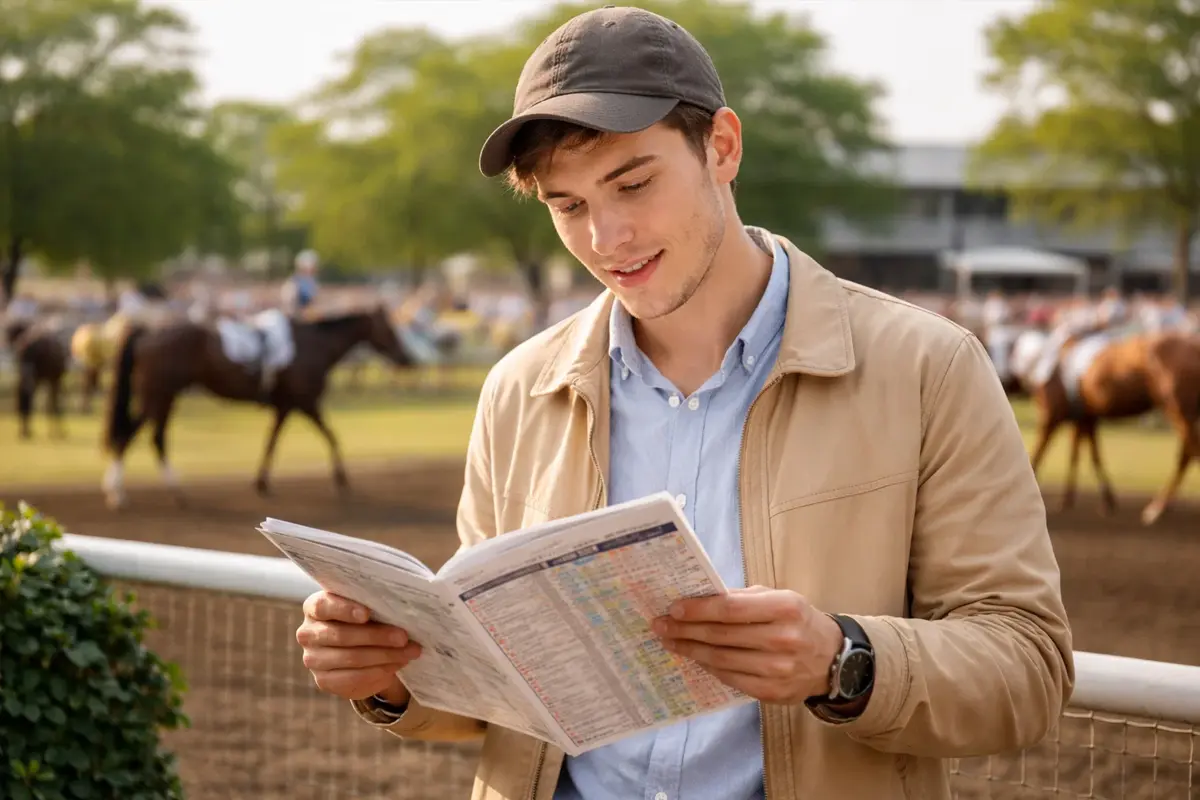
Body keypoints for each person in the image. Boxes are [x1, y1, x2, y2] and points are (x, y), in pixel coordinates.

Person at [294, 7, 1073, 799]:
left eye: (633, 183)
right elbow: (497, 693)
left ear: (722, 147)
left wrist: (843, 660)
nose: (607, 237)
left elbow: (1029, 666)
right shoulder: (518, 389)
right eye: (569, 205)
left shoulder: (928, 368)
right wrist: (392, 676)